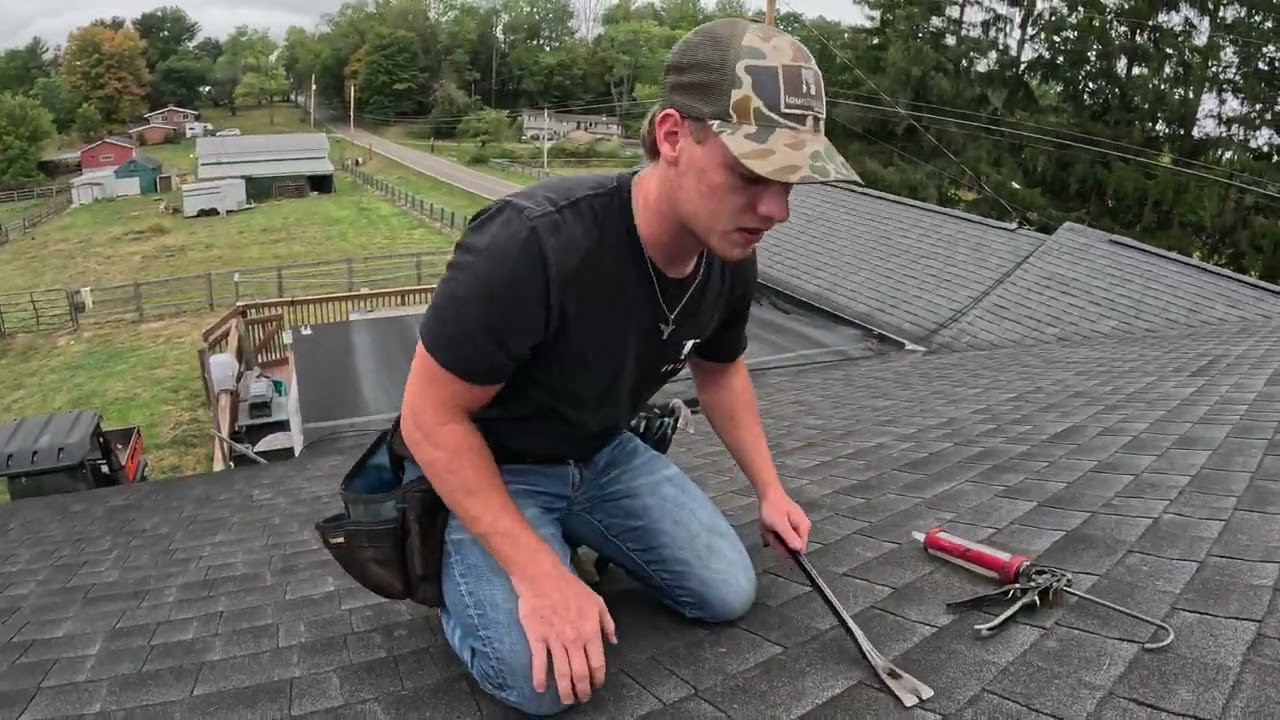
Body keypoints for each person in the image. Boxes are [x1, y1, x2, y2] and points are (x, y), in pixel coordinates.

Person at [397, 16, 862, 717]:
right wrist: (535, 575)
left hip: (602, 453)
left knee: (727, 592)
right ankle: (469, 573)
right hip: (497, 465)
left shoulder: (727, 253)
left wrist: (769, 489)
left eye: (791, 180)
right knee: (542, 682)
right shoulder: (531, 246)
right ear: (673, 136)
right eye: (751, 173)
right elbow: (429, 418)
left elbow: (721, 368)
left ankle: (571, 536)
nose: (776, 209)